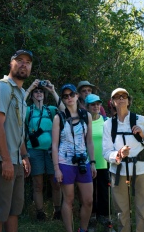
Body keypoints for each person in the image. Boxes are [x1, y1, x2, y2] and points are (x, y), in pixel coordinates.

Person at [0, 49, 32, 232]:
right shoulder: (1, 87)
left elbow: (17, 130)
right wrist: (5, 160)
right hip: (1, 160)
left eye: (27, 62)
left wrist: (24, 155)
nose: (23, 64)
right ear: (10, 64)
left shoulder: (20, 93)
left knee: (13, 211)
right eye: (19, 60)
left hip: (16, 160)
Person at [102, 88, 144, 232]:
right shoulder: (108, 124)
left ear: (128, 100)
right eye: (117, 97)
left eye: (124, 96)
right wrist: (119, 154)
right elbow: (106, 152)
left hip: (142, 170)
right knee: (122, 214)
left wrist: (143, 135)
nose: (121, 98)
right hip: (118, 172)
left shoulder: (139, 119)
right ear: (112, 102)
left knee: (143, 213)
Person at [51, 84, 97, 232]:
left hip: (83, 161)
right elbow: (54, 145)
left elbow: (89, 141)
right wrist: (56, 169)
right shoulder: (59, 117)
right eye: (65, 96)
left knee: (88, 200)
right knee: (69, 200)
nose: (69, 97)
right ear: (63, 99)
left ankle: (82, 229)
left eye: (71, 94)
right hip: (65, 163)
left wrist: (93, 162)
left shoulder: (86, 116)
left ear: (77, 95)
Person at [24, 79, 62, 221]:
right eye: (36, 92)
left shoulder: (51, 110)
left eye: (41, 91)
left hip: (52, 151)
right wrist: (29, 88)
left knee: (56, 183)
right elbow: (17, 107)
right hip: (34, 150)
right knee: (37, 184)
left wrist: (52, 90)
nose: (39, 93)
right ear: (33, 95)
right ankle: (40, 212)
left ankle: (57, 211)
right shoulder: (28, 110)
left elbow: (65, 110)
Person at [85, 94, 111, 227]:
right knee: (89, 191)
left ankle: (104, 215)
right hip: (88, 163)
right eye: (93, 104)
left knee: (103, 191)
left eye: (98, 104)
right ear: (87, 106)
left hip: (104, 162)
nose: (96, 106)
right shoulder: (84, 121)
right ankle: (91, 215)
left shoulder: (106, 121)